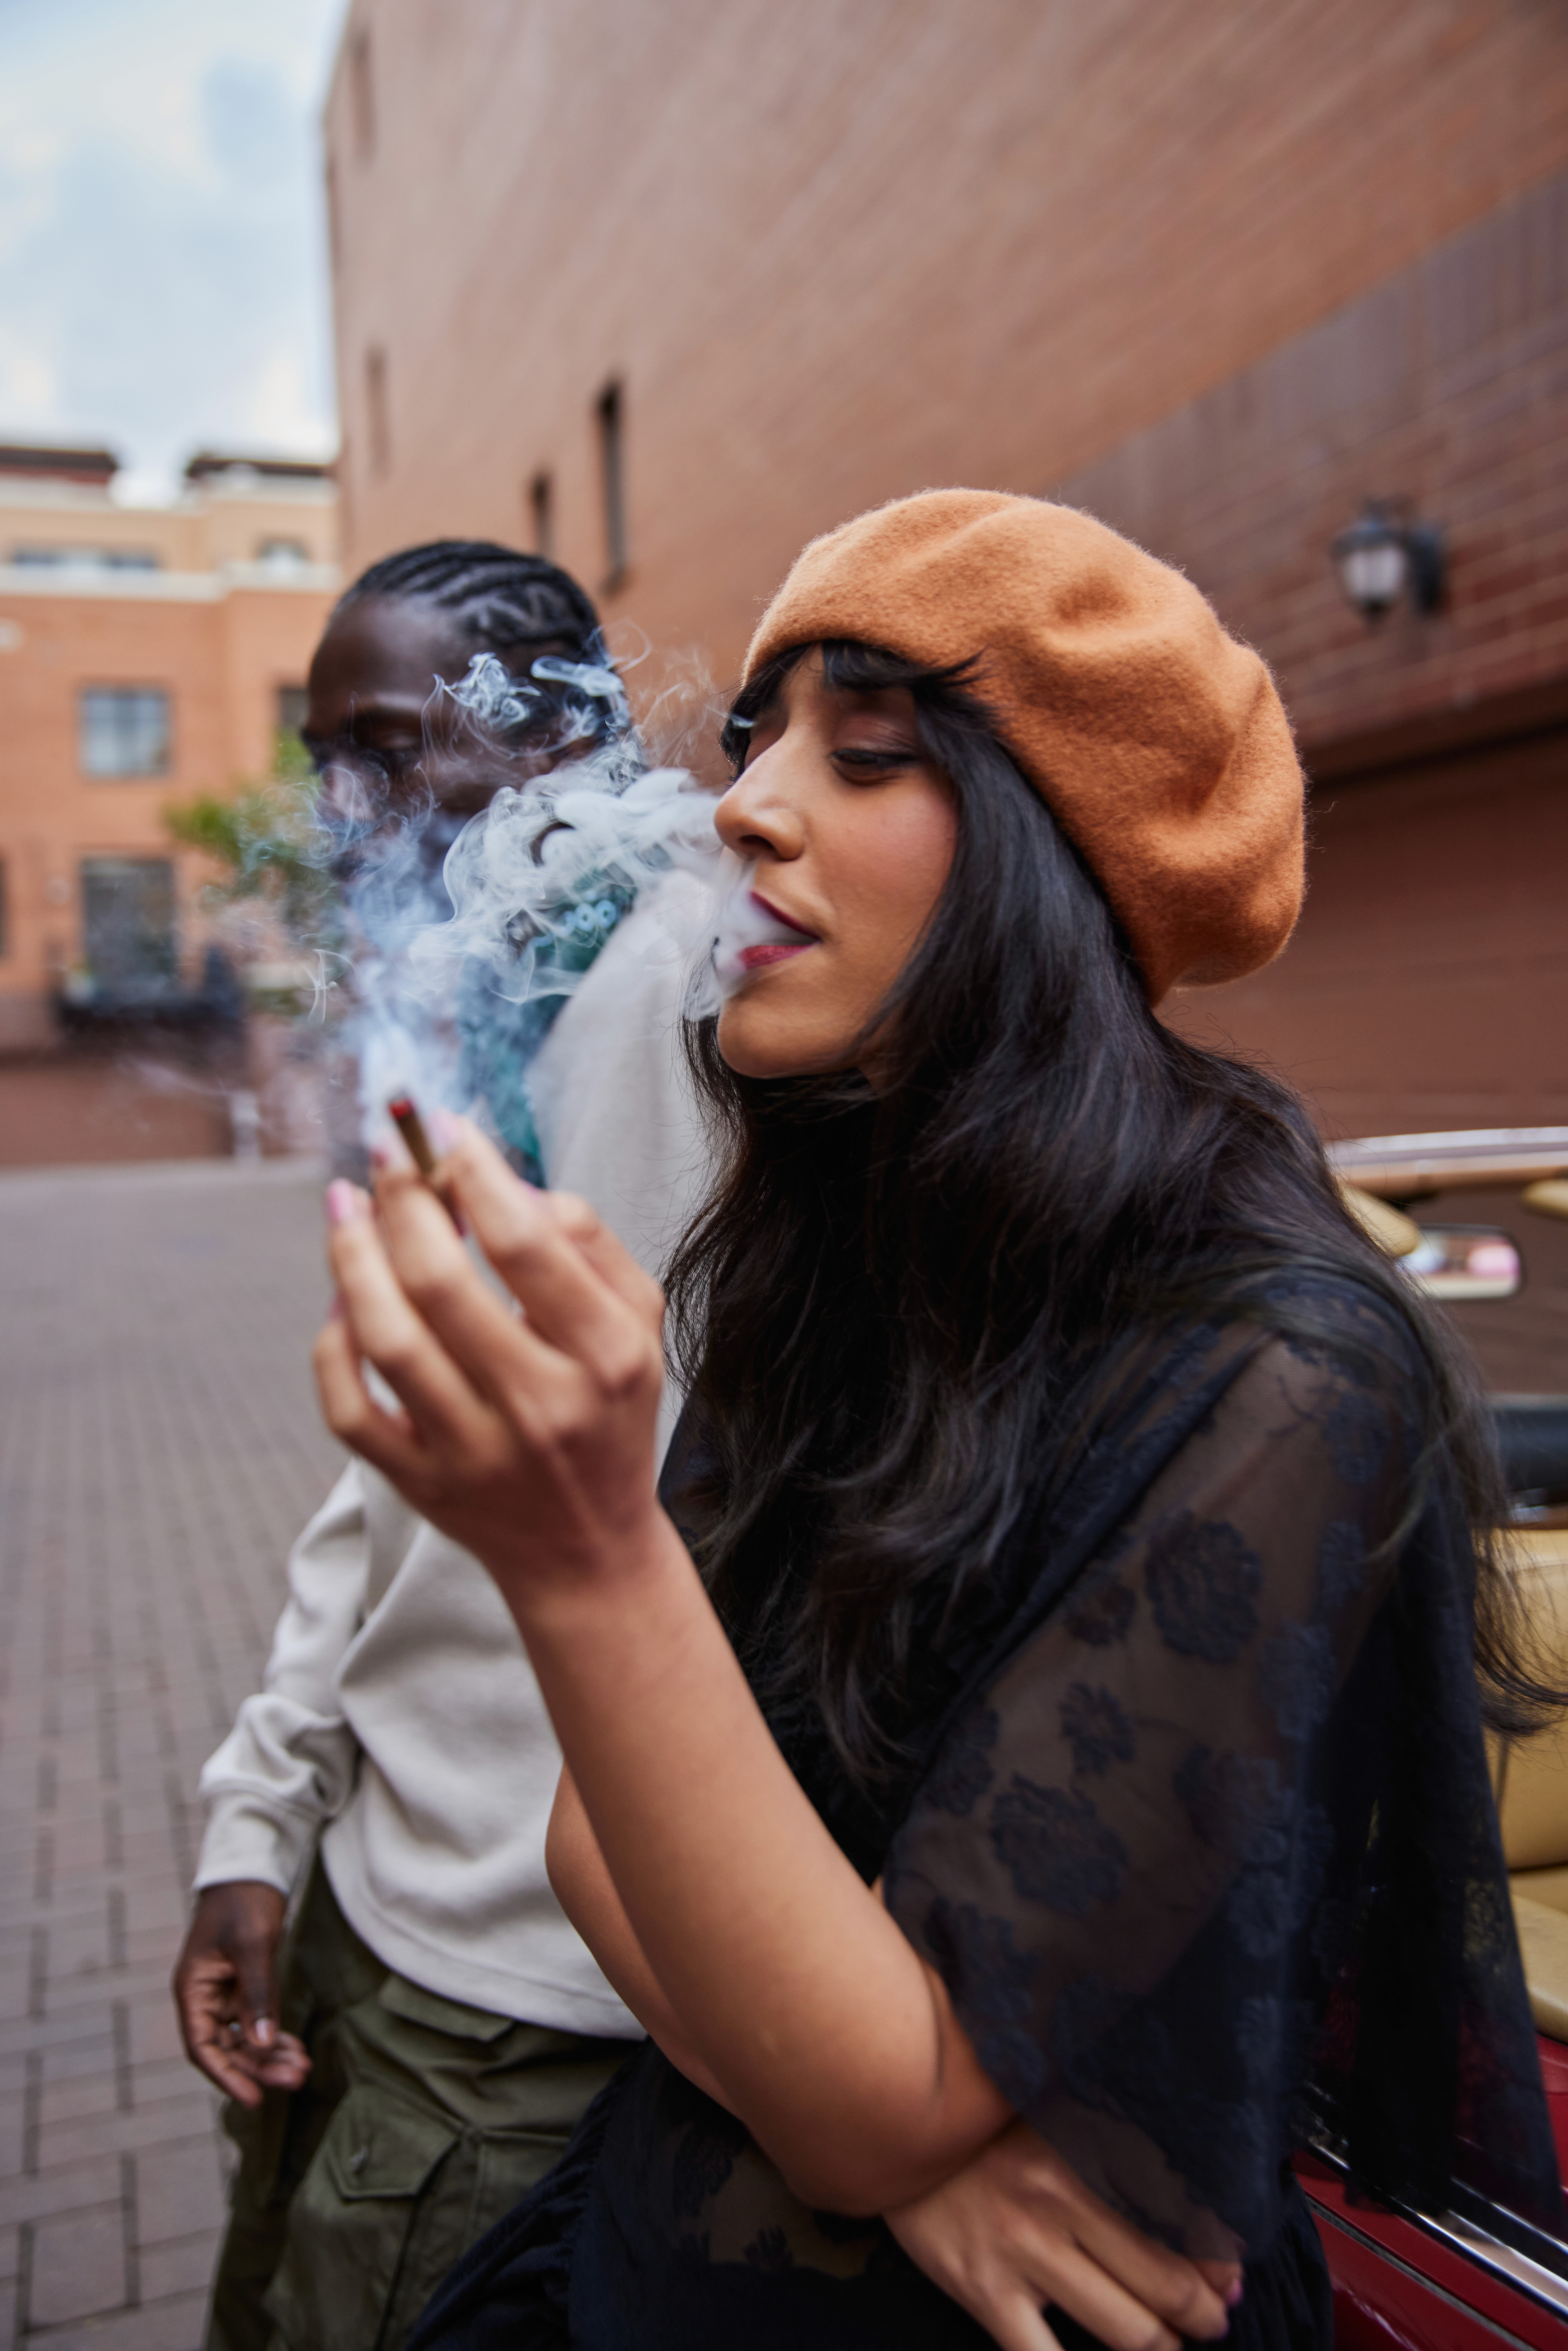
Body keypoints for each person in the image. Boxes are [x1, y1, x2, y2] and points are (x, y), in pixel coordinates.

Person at [310, 492, 1562, 2351]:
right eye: (757, 741)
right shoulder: (840, 1252)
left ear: (1054, 871)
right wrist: (896, 2147)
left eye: (871, 750)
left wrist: (583, 1553)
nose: (741, 804)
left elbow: (863, 2068)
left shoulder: (1280, 1370)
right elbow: (599, 1845)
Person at [172, 543, 715, 2351]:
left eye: (387, 748)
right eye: (320, 759)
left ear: (553, 731)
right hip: (377, 1899)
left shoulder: (686, 992)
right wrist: (263, 1814)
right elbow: (396, 1468)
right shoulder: (490, 1003)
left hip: (519, 1987)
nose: (341, 817)